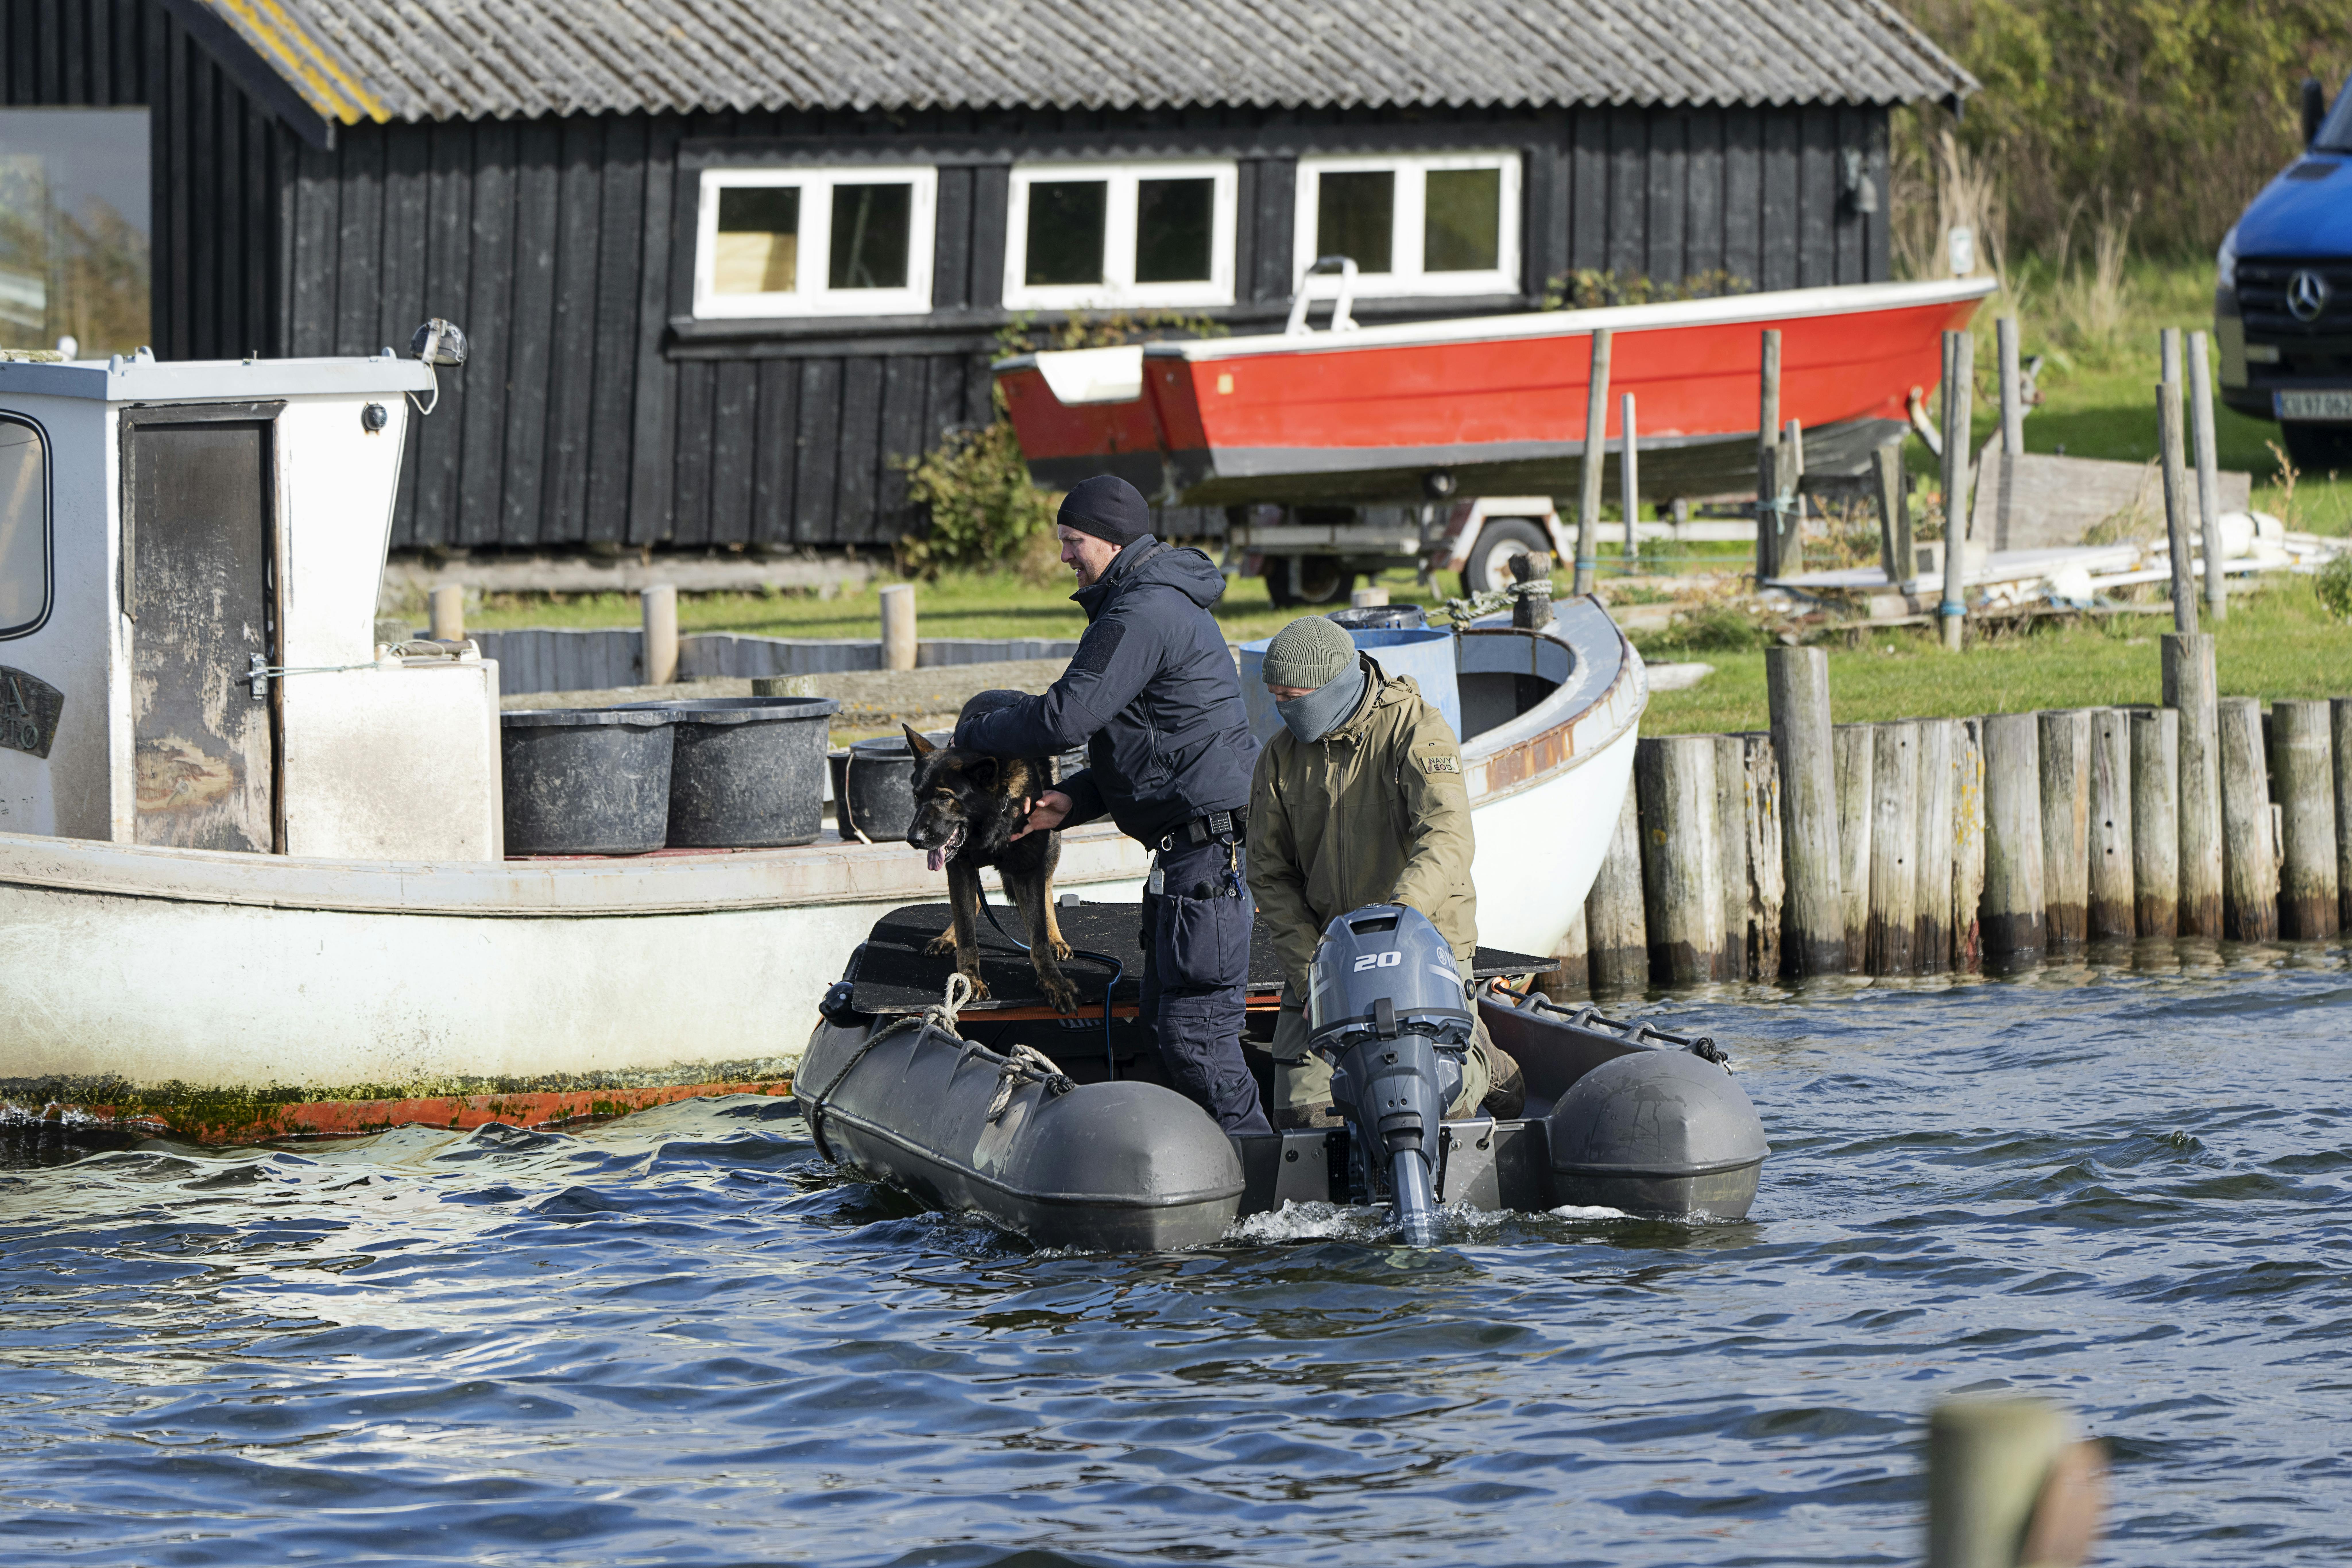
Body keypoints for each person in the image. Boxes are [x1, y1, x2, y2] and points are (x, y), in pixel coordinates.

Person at [955, 475, 1272, 1136]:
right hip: (1190, 855)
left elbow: (1067, 718)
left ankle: (1261, 1190)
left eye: (1072, 541)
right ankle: (1211, 1183)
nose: (1065, 556)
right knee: (1163, 1025)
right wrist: (1073, 798)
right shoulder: (1153, 603)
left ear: (1110, 539)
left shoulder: (1140, 611)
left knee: (1195, 1037)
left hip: (1205, 861)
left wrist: (974, 733)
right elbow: (1155, 745)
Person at [1246, 614, 1516, 1129]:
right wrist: (1312, 977)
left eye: (1293, 697)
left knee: (1442, 1109)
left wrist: (1402, 917)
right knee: (1305, 1121)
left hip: (1424, 938)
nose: (1283, 708)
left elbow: (1447, 833)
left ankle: (1486, 1062)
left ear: (1332, 684)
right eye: (1275, 697)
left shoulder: (1417, 729)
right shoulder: (1278, 761)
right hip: (1329, 953)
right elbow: (1268, 874)